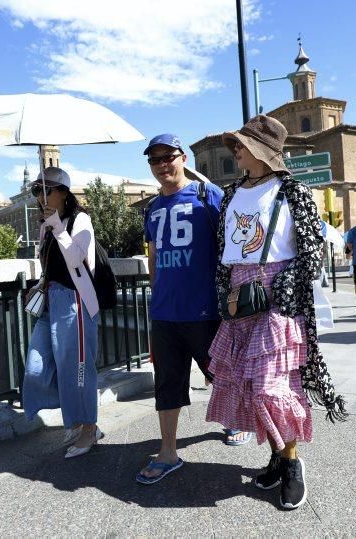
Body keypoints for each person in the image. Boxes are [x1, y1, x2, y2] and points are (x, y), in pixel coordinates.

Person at [206, 115, 346, 510]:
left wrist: (283, 289)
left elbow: (311, 249)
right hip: (239, 295)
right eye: (235, 144)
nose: (235, 151)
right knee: (250, 386)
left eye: (241, 145)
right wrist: (226, 291)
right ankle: (275, 456)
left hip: (278, 297)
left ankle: (292, 464)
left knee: (272, 387)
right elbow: (225, 250)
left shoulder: (293, 191)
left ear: (263, 152)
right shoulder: (232, 193)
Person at [137, 134, 228, 485]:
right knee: (167, 383)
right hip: (164, 313)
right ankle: (168, 451)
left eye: (168, 157)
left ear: (183, 157)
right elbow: (154, 258)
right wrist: (155, 297)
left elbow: (229, 249)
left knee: (219, 374)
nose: (162, 165)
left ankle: (232, 420)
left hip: (205, 310)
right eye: (154, 160)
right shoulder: (152, 207)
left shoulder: (209, 196)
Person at [22, 167, 103, 459]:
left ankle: (88, 427)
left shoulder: (81, 220)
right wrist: (39, 285)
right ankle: (76, 416)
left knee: (78, 370)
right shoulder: (46, 226)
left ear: (63, 193)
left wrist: (56, 226)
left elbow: (76, 259)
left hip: (76, 302)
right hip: (51, 300)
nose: (40, 196)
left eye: (45, 190)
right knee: (36, 367)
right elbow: (51, 267)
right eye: (36, 191)